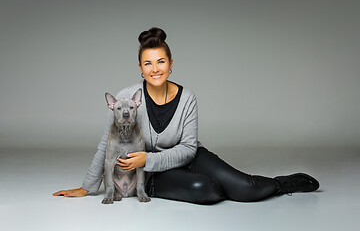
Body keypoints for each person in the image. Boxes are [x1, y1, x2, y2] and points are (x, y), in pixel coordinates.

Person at [53, 27, 319, 204]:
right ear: (140, 68)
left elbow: (189, 148)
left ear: (170, 64)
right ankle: (219, 188)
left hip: (189, 158)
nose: (154, 69)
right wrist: (87, 186)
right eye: (148, 63)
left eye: (160, 62)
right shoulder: (128, 97)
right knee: (208, 190)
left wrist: (150, 157)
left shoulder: (188, 97)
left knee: (246, 188)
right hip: (154, 174)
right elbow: (106, 145)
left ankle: (284, 184)